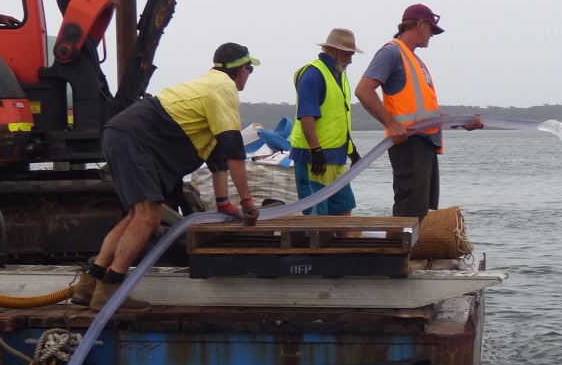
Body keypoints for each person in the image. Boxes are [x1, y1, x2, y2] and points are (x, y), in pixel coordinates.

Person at [72, 42, 262, 310]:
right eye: (249, 70)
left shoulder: (207, 85)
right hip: (134, 138)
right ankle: (111, 289)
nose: (248, 76)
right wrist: (247, 202)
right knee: (150, 216)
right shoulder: (223, 88)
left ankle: (89, 283)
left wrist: (223, 203)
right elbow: (234, 151)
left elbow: (218, 158)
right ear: (242, 70)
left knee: (137, 215)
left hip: (120, 133)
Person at [355, 3, 480, 219]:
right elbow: (363, 90)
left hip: (424, 144)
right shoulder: (391, 53)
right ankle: (396, 253)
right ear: (420, 24)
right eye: (431, 29)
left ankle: (406, 252)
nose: (432, 35)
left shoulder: (416, 61)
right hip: (408, 143)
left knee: (419, 211)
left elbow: (428, 113)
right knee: (408, 211)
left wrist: (462, 122)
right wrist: (391, 124)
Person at [289, 27, 363, 216]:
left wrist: (351, 150)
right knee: (317, 217)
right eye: (347, 54)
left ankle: (345, 246)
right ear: (332, 50)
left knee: (344, 208)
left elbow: (338, 117)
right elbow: (307, 116)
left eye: (351, 54)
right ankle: (317, 245)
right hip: (313, 159)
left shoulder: (339, 74)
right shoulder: (313, 75)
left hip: (336, 157)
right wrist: (315, 150)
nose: (350, 60)